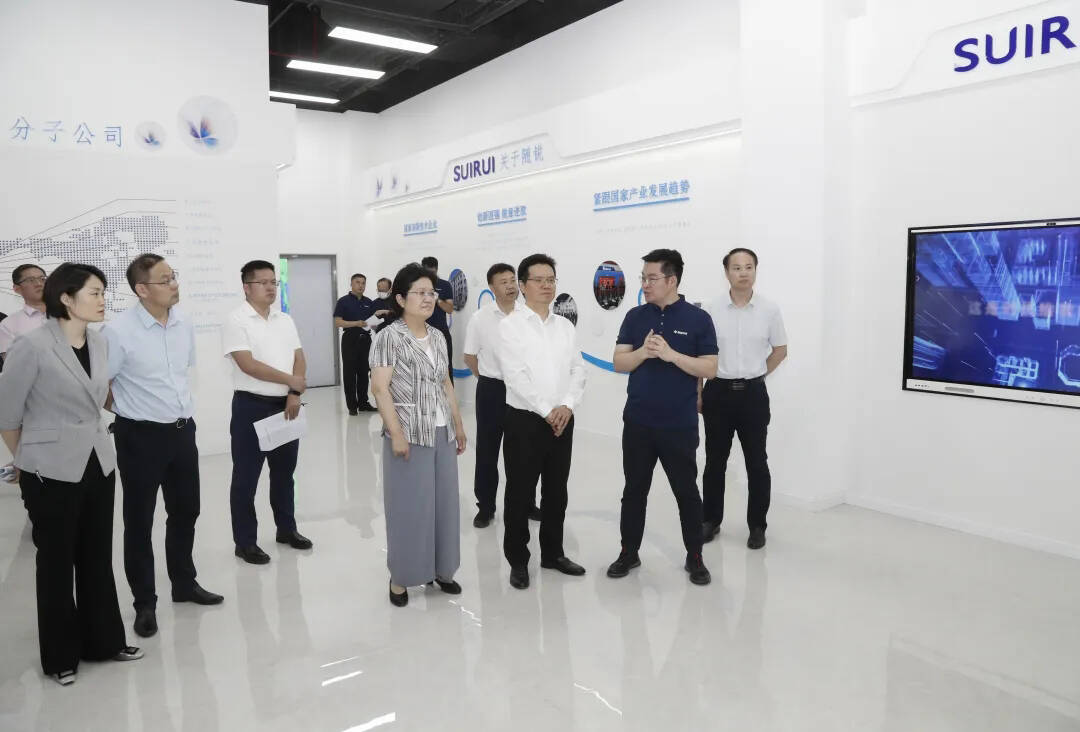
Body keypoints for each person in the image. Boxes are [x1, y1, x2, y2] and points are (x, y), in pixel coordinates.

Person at [0, 263, 142, 686]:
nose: (102, 300)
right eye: (94, 292)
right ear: (66, 297)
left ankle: (105, 641)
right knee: (56, 563)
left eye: (102, 292)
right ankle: (60, 655)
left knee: (97, 555)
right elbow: (7, 414)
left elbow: (96, 399)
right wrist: (27, 461)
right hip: (49, 469)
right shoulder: (31, 346)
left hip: (98, 460)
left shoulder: (98, 342)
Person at [104, 254, 223, 640]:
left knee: (186, 511)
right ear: (142, 289)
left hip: (182, 431)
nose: (174, 285)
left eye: (174, 277)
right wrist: (128, 410)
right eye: (165, 280)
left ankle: (184, 584)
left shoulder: (183, 322)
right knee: (139, 521)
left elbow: (181, 373)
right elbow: (99, 384)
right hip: (139, 436)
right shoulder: (117, 331)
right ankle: (144, 603)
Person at [607, 249, 717, 585]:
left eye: (651, 278)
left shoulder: (699, 319)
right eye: (643, 277)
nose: (645, 284)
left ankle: (695, 557)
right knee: (634, 491)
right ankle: (629, 552)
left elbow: (710, 368)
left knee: (686, 493)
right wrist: (643, 352)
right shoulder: (635, 317)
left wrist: (671, 355)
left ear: (672, 280)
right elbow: (619, 362)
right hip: (638, 422)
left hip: (679, 425)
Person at [370, 263, 467, 607]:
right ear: (400, 299)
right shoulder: (389, 337)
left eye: (431, 292)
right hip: (409, 433)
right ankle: (401, 577)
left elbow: (445, 382)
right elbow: (380, 389)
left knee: (444, 505)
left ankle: (441, 570)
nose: (428, 299)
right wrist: (396, 434)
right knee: (410, 508)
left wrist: (457, 424)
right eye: (419, 293)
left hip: (441, 432)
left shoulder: (437, 336)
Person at [498, 254, 586, 589]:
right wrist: (548, 410)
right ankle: (518, 560)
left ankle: (553, 553)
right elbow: (515, 377)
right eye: (539, 280)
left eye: (551, 280)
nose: (547, 286)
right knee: (520, 493)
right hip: (525, 421)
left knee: (556, 491)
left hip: (563, 419)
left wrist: (566, 405)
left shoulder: (565, 326)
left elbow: (578, 369)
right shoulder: (510, 326)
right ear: (522, 286)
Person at [224, 260, 313, 565]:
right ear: (247, 287)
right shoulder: (236, 320)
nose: (271, 287)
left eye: (274, 282)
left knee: (284, 474)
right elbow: (248, 365)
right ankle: (245, 542)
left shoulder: (284, 319)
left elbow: (299, 358)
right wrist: (291, 381)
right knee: (246, 478)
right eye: (263, 282)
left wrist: (293, 393)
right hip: (251, 406)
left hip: (286, 405)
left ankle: (286, 529)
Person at [701, 248, 788, 550]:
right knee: (715, 462)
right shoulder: (710, 309)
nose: (743, 273)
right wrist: (698, 392)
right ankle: (710, 520)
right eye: (737, 268)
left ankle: (757, 526)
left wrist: (759, 374)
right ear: (727, 272)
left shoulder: (769, 309)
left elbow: (780, 350)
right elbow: (701, 354)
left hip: (753, 396)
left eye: (749, 267)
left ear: (755, 271)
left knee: (757, 463)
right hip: (717, 393)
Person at [463, 263, 540, 528]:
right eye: (503, 282)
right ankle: (485, 507)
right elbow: (470, 357)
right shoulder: (480, 318)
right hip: (492, 390)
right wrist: (487, 378)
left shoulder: (530, 315)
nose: (510, 286)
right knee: (487, 450)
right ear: (491, 287)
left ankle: (527, 503)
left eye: (512, 280)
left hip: (523, 390)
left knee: (524, 451)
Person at [333, 273, 378, 415]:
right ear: (351, 284)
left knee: (364, 372)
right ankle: (352, 406)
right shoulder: (343, 301)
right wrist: (356, 323)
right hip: (350, 339)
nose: (361, 285)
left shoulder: (369, 302)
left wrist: (376, 325)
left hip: (365, 339)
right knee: (350, 373)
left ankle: (363, 403)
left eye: (363, 283)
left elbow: (372, 321)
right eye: (358, 282)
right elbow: (337, 322)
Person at [0, 263, 48, 356]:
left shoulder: (70, 315)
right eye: (31, 280)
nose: (39, 284)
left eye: (42, 279)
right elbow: (11, 362)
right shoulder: (8, 325)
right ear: (17, 289)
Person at [420, 256, 455, 383]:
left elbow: (449, 309)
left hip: (441, 331)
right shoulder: (416, 286)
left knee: (446, 367)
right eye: (427, 272)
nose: (430, 275)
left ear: (437, 270)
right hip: (421, 333)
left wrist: (437, 300)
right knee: (423, 368)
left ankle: (448, 396)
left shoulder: (444, 285)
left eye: (432, 272)